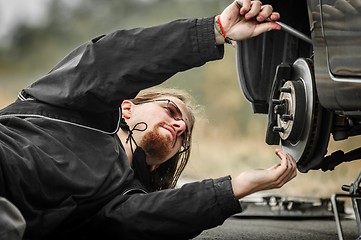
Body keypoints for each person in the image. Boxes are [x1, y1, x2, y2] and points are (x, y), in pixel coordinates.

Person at [0, 0, 297, 239]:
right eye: (170, 110)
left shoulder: (124, 198)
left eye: (184, 137)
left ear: (159, 164)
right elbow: (110, 62)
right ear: (127, 108)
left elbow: (155, 217)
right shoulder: (67, 104)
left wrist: (237, 187)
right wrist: (214, 31)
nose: (180, 127)